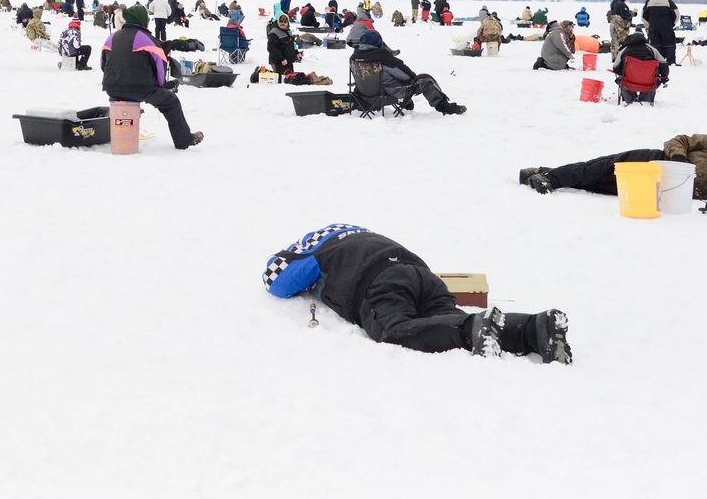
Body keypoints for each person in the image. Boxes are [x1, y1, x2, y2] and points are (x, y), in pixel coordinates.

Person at [262, 223, 571, 363]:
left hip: (381, 284)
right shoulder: (356, 232)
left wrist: (293, 254)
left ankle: (468, 330)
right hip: (422, 276)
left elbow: (277, 281)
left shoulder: (320, 247)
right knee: (447, 316)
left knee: (393, 328)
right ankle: (533, 328)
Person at [100, 5, 202, 149]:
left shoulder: (111, 38)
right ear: (142, 19)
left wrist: (114, 79)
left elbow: (103, 64)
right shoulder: (147, 39)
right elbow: (161, 66)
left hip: (112, 88)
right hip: (142, 89)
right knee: (171, 102)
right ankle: (184, 140)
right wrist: (160, 86)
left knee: (127, 95)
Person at [520, 133, 707, 199]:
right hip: (657, 160)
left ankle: (545, 172)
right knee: (600, 168)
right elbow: (679, 140)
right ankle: (551, 178)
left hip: (665, 190)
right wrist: (678, 159)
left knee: (597, 184)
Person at [349, 29, 466, 114]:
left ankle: (407, 103)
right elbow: (406, 76)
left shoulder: (354, 58)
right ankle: (443, 106)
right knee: (424, 79)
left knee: (395, 80)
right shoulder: (383, 57)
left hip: (364, 95)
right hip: (387, 93)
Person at [641, 0, 678, 66]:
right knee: (669, 45)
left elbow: (643, 16)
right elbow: (676, 15)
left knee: (655, 46)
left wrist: (648, 25)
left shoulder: (649, 2)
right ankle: (671, 62)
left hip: (653, 28)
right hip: (667, 28)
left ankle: (656, 62)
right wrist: (672, 24)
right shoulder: (669, 2)